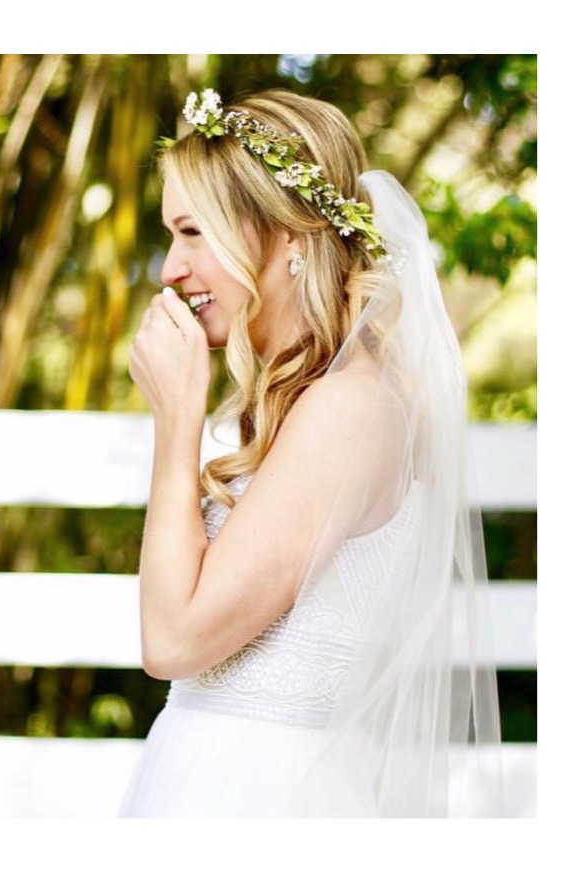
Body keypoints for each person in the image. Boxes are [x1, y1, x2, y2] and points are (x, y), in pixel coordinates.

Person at [119, 88, 502, 816]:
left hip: (265, 796)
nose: (171, 268)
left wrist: (177, 424)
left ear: (290, 238)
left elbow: (173, 640)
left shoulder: (349, 407)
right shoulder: (310, 399)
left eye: (193, 231)